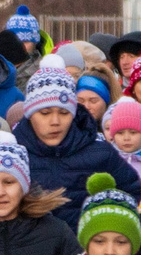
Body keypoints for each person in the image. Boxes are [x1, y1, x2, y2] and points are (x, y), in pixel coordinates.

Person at [11, 63, 131, 227]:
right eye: (45, 113)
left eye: (64, 112)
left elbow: (130, 201)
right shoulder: (13, 156)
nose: (55, 122)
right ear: (30, 115)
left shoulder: (101, 154)